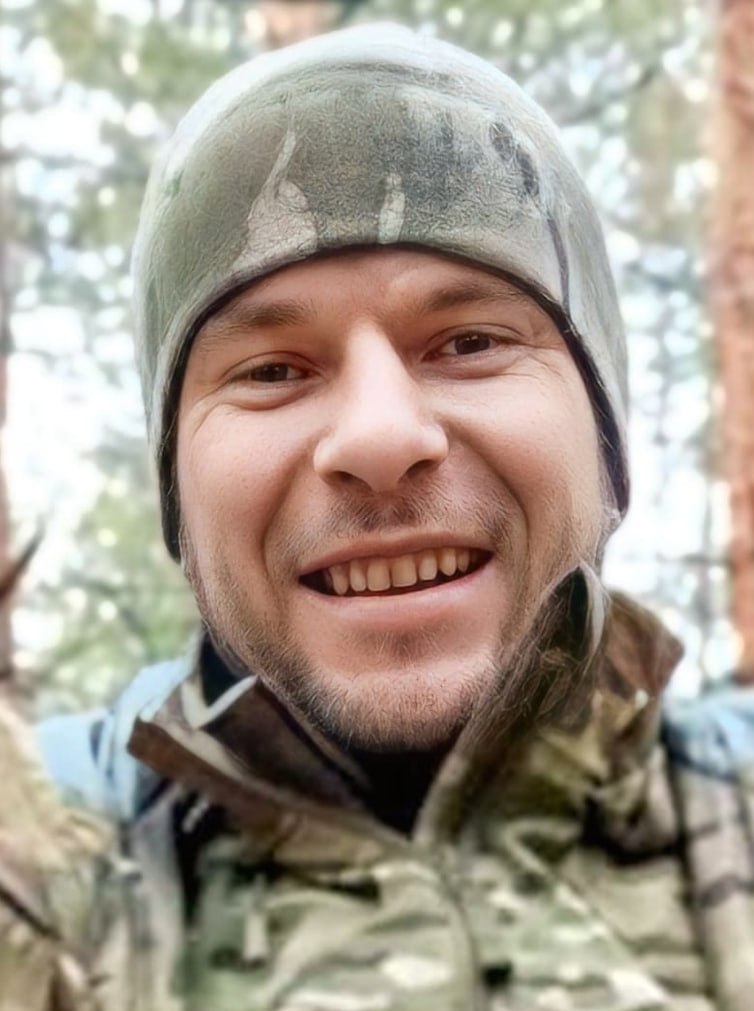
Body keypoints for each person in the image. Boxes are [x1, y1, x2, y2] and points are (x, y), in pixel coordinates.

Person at [37, 23, 754, 1011]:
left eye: (469, 342)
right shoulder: (52, 865)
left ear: (603, 433)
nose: (380, 436)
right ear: (178, 492)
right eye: (272, 370)